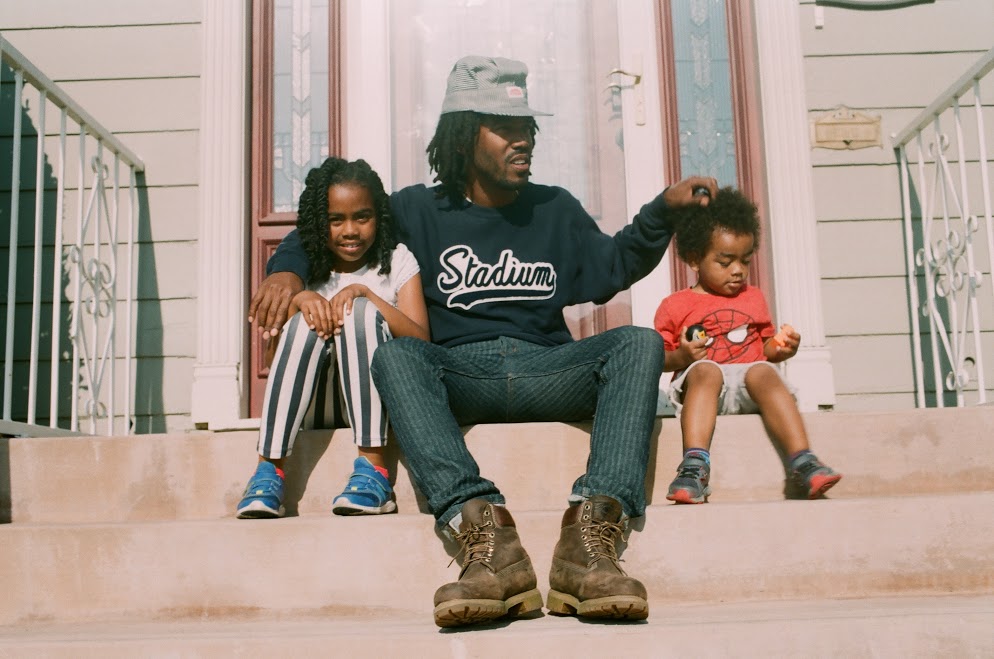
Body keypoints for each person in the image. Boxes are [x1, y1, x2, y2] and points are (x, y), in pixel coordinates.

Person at [250, 55, 715, 627]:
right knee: (398, 355)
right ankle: (482, 532)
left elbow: (611, 265)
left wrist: (662, 212)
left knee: (638, 342)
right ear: (465, 135)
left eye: (527, 129)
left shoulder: (554, 208)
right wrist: (286, 272)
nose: (524, 141)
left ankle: (593, 537)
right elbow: (333, 226)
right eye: (507, 129)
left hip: (551, 369)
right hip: (457, 372)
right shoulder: (417, 210)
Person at [237, 157, 429, 519]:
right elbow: (271, 361)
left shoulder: (397, 261)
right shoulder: (309, 269)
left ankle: (374, 471)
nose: (350, 230)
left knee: (358, 312)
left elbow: (422, 341)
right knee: (308, 315)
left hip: (379, 400)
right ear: (318, 223)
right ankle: (268, 472)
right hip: (318, 404)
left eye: (362, 217)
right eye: (335, 220)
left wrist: (366, 296)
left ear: (379, 217)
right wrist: (299, 301)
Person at [653, 186, 841, 505]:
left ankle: (804, 462)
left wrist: (782, 349)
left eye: (745, 260)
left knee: (765, 373)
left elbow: (765, 347)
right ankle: (694, 467)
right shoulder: (676, 305)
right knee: (707, 371)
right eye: (726, 261)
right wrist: (682, 356)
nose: (738, 270)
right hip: (703, 387)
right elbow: (658, 359)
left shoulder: (752, 297)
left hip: (748, 385)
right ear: (695, 258)